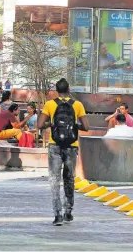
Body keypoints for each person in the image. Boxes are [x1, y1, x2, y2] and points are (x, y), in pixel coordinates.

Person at [37, 78, 90, 226]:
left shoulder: (50, 104)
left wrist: (52, 123)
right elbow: (86, 126)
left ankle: (57, 215)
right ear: (69, 90)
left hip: (55, 145)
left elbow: (40, 124)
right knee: (69, 179)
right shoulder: (77, 104)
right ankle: (69, 212)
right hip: (71, 146)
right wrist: (73, 124)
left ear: (56, 90)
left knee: (54, 180)